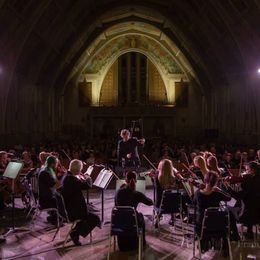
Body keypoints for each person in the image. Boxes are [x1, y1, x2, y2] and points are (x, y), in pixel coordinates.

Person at [193, 171, 239, 254]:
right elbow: (230, 199)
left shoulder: (198, 194)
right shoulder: (217, 194)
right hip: (217, 226)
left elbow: (193, 204)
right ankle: (226, 245)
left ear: (204, 180)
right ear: (216, 182)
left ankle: (204, 243)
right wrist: (220, 190)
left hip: (202, 226)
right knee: (227, 215)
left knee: (198, 218)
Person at [61, 159, 101, 246]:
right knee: (95, 219)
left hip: (72, 207)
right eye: (80, 169)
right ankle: (75, 233)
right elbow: (87, 185)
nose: (81, 171)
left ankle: (76, 232)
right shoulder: (71, 179)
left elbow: (78, 184)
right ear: (78, 169)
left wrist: (81, 178)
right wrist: (88, 178)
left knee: (91, 216)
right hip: (74, 211)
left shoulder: (67, 175)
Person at [115, 171, 153, 251]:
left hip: (120, 224)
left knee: (133, 216)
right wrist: (142, 195)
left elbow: (116, 204)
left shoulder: (118, 192)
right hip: (132, 222)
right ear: (135, 181)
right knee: (140, 217)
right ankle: (141, 242)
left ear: (126, 180)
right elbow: (150, 203)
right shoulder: (137, 194)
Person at [225, 161, 260, 239]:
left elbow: (238, 196)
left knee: (229, 210)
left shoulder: (247, 180)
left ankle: (235, 236)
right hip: (258, 213)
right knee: (251, 204)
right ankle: (249, 231)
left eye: (247, 170)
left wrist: (228, 188)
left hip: (247, 214)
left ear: (253, 170)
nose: (245, 172)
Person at [38, 155, 61, 224]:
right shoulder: (45, 173)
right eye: (56, 163)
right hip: (45, 200)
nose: (57, 165)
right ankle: (55, 219)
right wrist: (63, 180)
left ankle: (55, 217)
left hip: (47, 196)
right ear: (52, 164)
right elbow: (55, 185)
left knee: (60, 197)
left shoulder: (47, 170)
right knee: (62, 200)